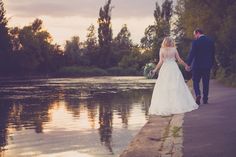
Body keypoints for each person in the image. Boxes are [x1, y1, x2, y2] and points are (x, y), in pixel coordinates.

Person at [148, 37, 198, 116]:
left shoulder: (162, 50)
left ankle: (167, 106)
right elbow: (179, 60)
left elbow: (160, 62)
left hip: (165, 69)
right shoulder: (174, 49)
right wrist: (186, 66)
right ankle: (177, 105)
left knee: (165, 87)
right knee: (176, 85)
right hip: (173, 68)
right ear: (171, 42)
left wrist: (155, 70)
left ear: (164, 42)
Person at [186, 28, 215, 105]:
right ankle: (205, 99)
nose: (194, 36)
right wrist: (212, 64)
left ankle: (198, 94)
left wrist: (188, 64)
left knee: (195, 81)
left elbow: (192, 54)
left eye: (195, 34)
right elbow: (213, 54)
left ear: (198, 33)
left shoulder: (195, 42)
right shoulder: (210, 41)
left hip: (197, 66)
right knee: (206, 82)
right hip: (207, 66)